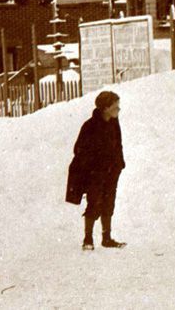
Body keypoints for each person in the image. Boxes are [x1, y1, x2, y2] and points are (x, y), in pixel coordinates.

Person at [67, 90, 126, 250]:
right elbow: (78, 150)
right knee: (94, 203)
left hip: (112, 171)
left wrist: (119, 164)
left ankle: (107, 238)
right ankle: (88, 239)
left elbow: (118, 144)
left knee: (109, 203)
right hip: (95, 174)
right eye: (115, 107)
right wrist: (93, 166)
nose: (118, 110)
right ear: (105, 108)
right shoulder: (90, 126)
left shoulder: (114, 123)